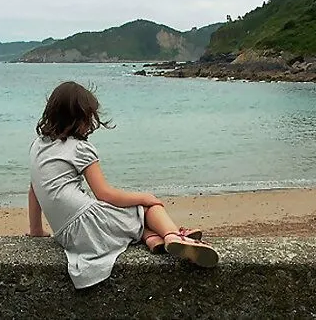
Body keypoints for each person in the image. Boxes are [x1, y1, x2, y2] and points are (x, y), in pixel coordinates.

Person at [27, 81, 218, 289]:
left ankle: (153, 240)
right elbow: (104, 194)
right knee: (147, 209)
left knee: (131, 221)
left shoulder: (38, 145)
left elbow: (34, 189)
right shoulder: (80, 149)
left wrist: (36, 229)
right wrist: (144, 197)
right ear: (80, 118)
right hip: (88, 225)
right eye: (89, 118)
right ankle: (174, 236)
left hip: (66, 235)